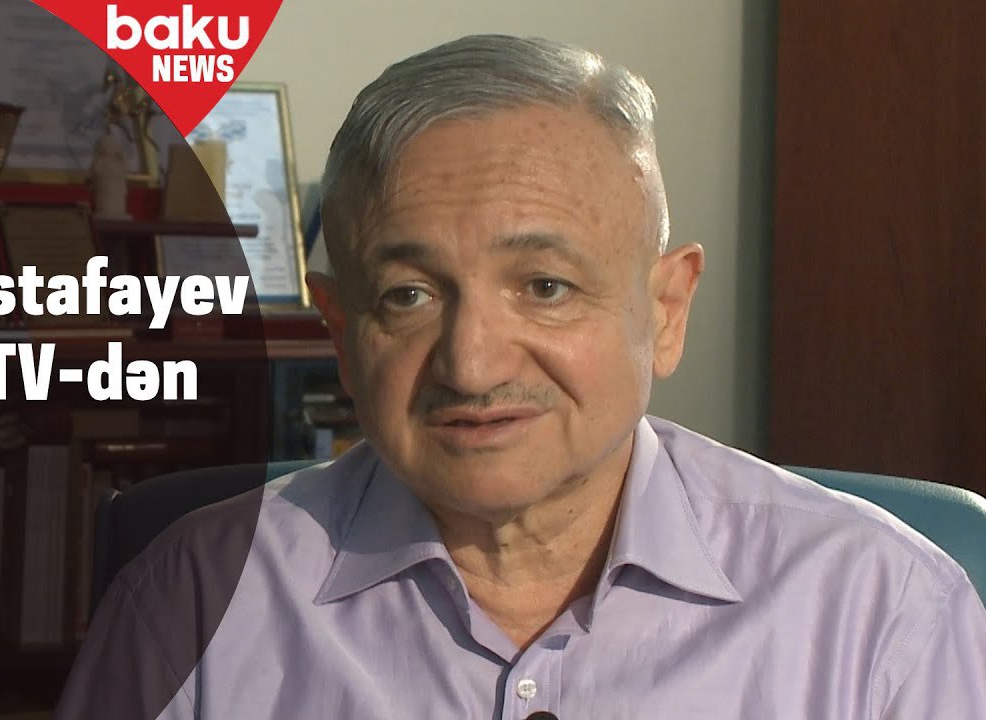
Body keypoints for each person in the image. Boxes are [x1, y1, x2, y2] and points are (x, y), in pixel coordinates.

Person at [56, 35, 986, 719]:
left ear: (666, 311)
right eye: (410, 295)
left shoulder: (882, 611)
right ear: (340, 329)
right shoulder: (192, 600)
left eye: (545, 287)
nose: (471, 364)